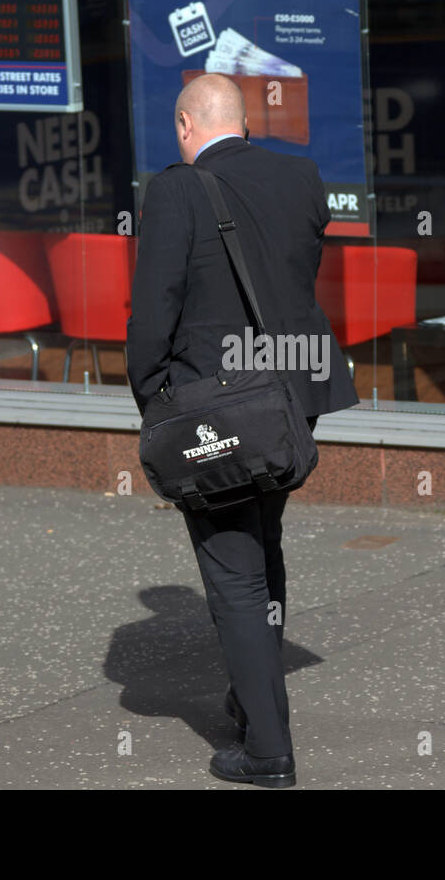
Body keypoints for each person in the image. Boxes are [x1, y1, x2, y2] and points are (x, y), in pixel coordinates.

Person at [126, 74, 358, 786]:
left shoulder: (175, 191)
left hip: (215, 409)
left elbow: (153, 310)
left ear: (185, 126)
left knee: (232, 572)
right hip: (287, 399)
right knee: (264, 544)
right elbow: (290, 282)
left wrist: (153, 400)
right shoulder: (301, 177)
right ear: (244, 123)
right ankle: (251, 696)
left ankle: (268, 750)